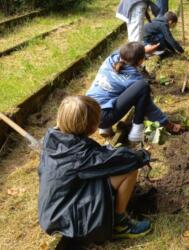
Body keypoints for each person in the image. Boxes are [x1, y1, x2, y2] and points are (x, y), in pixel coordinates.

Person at [38, 95, 153, 242]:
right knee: (128, 170)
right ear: (90, 126)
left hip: (51, 211)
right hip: (67, 220)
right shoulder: (80, 154)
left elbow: (98, 159)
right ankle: (120, 223)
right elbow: (121, 161)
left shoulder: (54, 139)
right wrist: (143, 155)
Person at [86, 42, 182, 142]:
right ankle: (135, 130)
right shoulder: (134, 79)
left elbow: (124, 52)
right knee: (142, 88)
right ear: (140, 61)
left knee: (109, 91)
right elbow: (149, 106)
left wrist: (143, 51)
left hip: (86, 109)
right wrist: (167, 124)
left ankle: (105, 128)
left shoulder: (111, 58)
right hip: (103, 117)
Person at [116, 0, 189, 51]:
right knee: (135, 45)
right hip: (135, 4)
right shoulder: (163, 24)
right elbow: (169, 39)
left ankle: (137, 66)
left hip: (135, 4)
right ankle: (133, 72)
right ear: (171, 22)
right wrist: (180, 50)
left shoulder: (160, 20)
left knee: (135, 43)